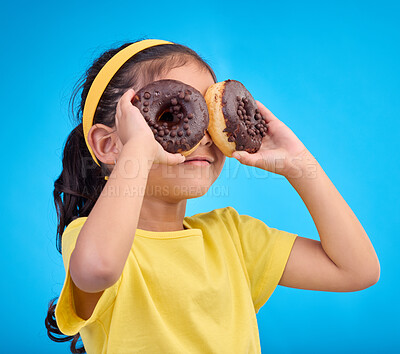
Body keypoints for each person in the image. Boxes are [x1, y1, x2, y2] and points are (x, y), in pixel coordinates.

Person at [45, 39, 380, 353]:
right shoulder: (93, 242)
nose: (202, 137)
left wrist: (299, 163)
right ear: (109, 145)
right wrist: (136, 151)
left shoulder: (231, 237)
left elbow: (357, 270)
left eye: (210, 117)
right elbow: (99, 269)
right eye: (172, 115)